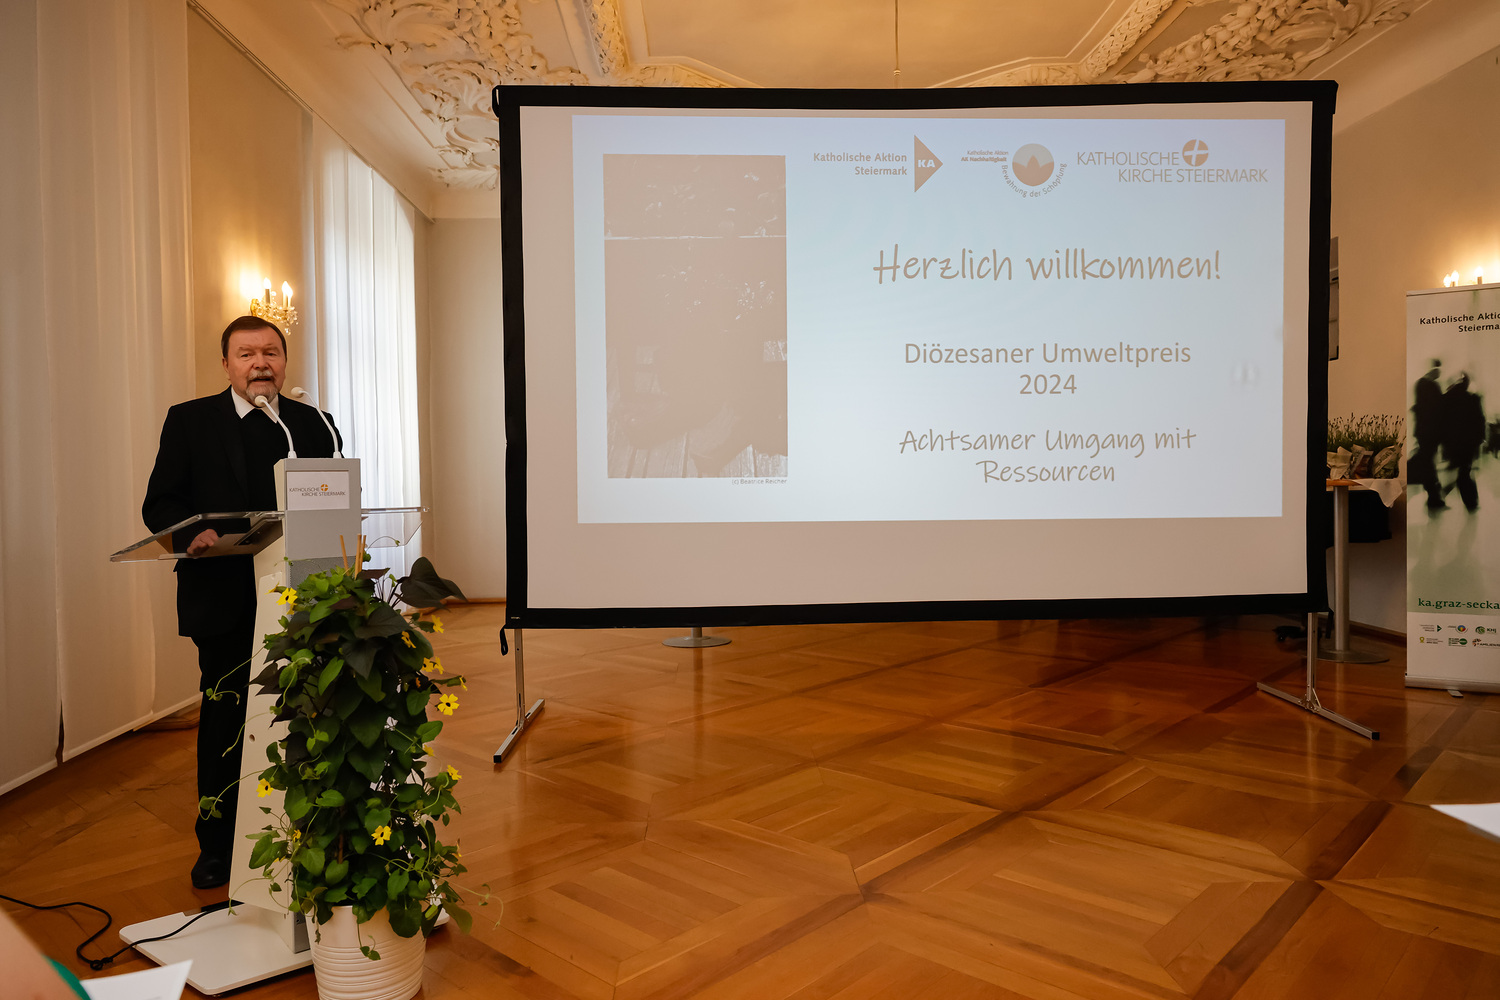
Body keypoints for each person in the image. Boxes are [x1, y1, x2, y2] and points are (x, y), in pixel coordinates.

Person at [142, 316, 342, 889]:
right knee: (226, 721)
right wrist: (190, 534)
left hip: (302, 597)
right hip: (223, 596)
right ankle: (218, 846)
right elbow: (160, 503)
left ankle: (309, 831)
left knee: (307, 715)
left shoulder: (313, 424)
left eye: (271, 352)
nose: (261, 363)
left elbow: (335, 497)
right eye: (247, 353)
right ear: (226, 363)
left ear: (285, 360)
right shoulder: (190, 420)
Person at [1440, 371, 1486, 512]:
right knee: (1464, 470)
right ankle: (1470, 501)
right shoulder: (1473, 398)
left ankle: (1445, 493)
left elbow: (1441, 422)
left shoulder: (1446, 399)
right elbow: (1480, 420)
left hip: (1452, 442)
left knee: (1461, 469)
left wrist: (1443, 441)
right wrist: (1480, 438)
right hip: (1468, 442)